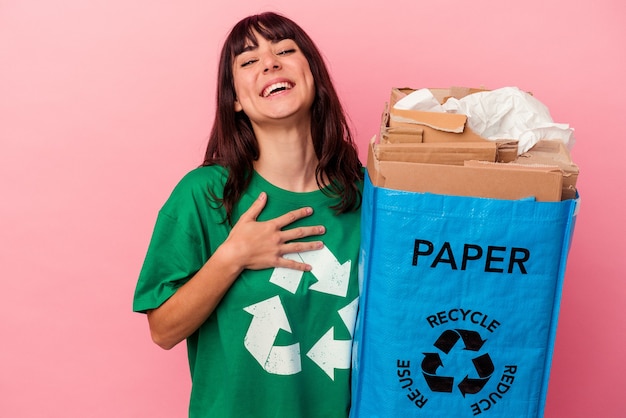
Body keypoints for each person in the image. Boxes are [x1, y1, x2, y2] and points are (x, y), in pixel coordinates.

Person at [133, 11, 363, 418]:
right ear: (235, 99)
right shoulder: (205, 195)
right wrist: (232, 256)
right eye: (249, 60)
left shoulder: (370, 195)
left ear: (314, 75)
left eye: (286, 50)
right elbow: (163, 330)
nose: (270, 62)